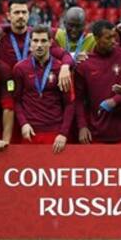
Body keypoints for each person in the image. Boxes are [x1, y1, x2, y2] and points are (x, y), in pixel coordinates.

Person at [75, 20, 121, 144]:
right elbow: (78, 99)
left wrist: (115, 101)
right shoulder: (84, 64)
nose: (113, 41)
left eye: (114, 37)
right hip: (96, 132)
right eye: (108, 38)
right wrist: (82, 126)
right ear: (96, 38)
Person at [12, 25, 74, 153]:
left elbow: (69, 104)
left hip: (55, 133)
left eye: (43, 41)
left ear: (50, 42)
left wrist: (63, 133)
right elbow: (16, 101)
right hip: (30, 132)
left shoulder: (60, 69)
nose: (39, 45)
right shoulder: (20, 69)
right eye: (35, 41)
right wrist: (23, 124)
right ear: (30, 43)